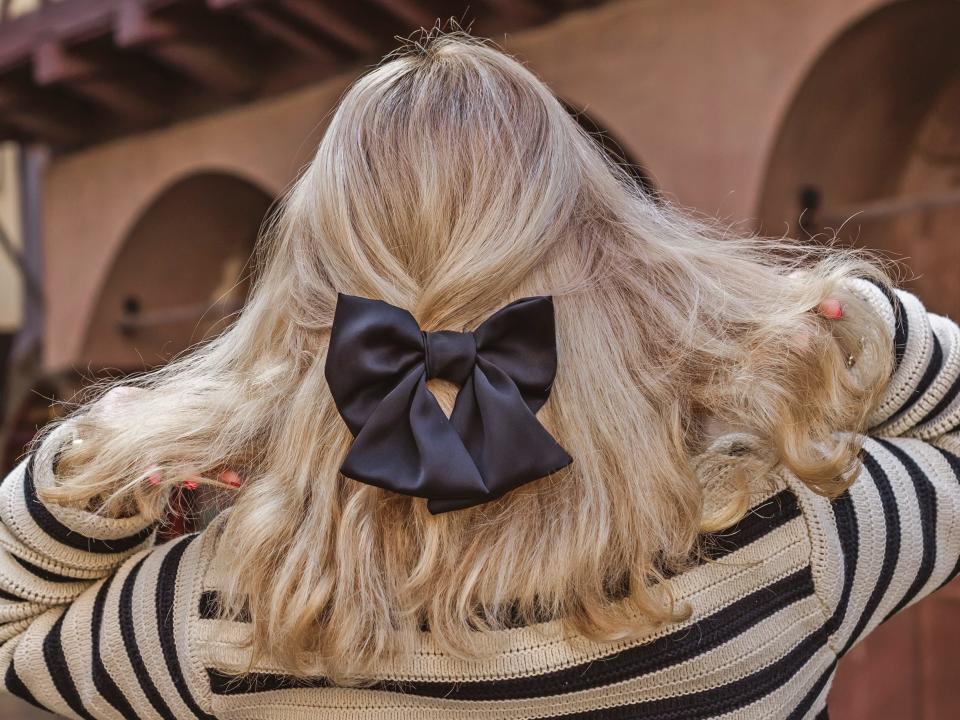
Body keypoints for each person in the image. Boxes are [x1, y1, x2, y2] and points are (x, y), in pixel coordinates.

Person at [0, 32, 956, 720]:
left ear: (308, 302)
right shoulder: (792, 544)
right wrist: (832, 322)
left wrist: (101, 455)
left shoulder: (220, 621)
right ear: (616, 265)